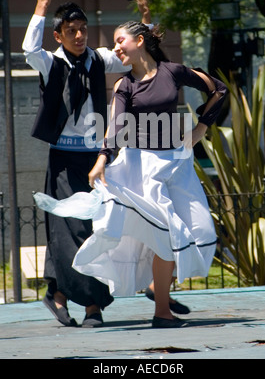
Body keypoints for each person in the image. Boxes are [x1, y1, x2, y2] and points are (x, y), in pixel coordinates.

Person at [34, 20, 227, 328]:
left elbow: (219, 89)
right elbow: (117, 127)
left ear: (139, 40)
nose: (116, 47)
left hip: (177, 164)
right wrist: (101, 159)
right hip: (144, 168)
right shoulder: (125, 86)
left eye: (120, 40)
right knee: (166, 236)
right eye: (114, 43)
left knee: (201, 231)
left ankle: (157, 288)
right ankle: (162, 312)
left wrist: (201, 127)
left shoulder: (172, 71)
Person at [22, 0, 151, 327]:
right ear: (58, 36)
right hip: (63, 160)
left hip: (96, 160)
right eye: (71, 31)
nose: (79, 36)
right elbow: (28, 49)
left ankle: (58, 293)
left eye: (83, 29)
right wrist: (41, 7)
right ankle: (93, 306)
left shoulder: (98, 60)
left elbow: (134, 52)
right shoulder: (50, 62)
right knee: (74, 230)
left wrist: (143, 13)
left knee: (96, 227)